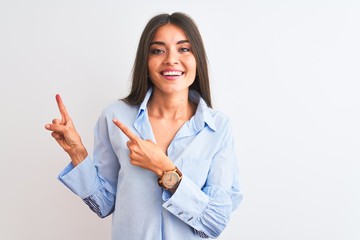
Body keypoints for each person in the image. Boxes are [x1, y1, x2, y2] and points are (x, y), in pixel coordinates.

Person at [45, 12, 243, 239]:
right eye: (158, 50)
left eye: (184, 49)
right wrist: (76, 152)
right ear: (145, 62)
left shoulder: (218, 128)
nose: (171, 59)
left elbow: (213, 222)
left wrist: (165, 170)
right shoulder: (115, 117)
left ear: (197, 58)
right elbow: (103, 204)